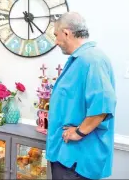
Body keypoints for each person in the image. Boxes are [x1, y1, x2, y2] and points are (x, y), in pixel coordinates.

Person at [46, 12, 116, 180]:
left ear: (66, 33)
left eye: (56, 35)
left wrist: (79, 132)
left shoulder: (92, 60)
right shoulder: (79, 59)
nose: (56, 41)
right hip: (66, 154)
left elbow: (104, 104)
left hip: (77, 158)